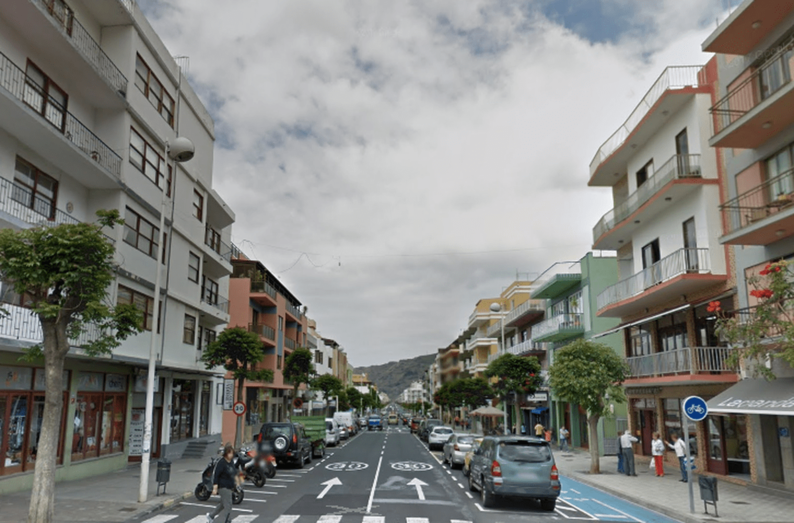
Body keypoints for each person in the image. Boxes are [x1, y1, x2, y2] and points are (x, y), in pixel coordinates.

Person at [207, 444, 238, 523]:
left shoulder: (231, 462)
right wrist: (215, 487)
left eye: (232, 453)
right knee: (228, 504)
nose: (231, 455)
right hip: (223, 486)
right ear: (226, 453)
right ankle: (228, 520)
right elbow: (216, 475)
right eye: (229, 453)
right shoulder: (221, 462)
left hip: (230, 486)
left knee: (222, 504)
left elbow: (233, 472)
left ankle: (211, 516)